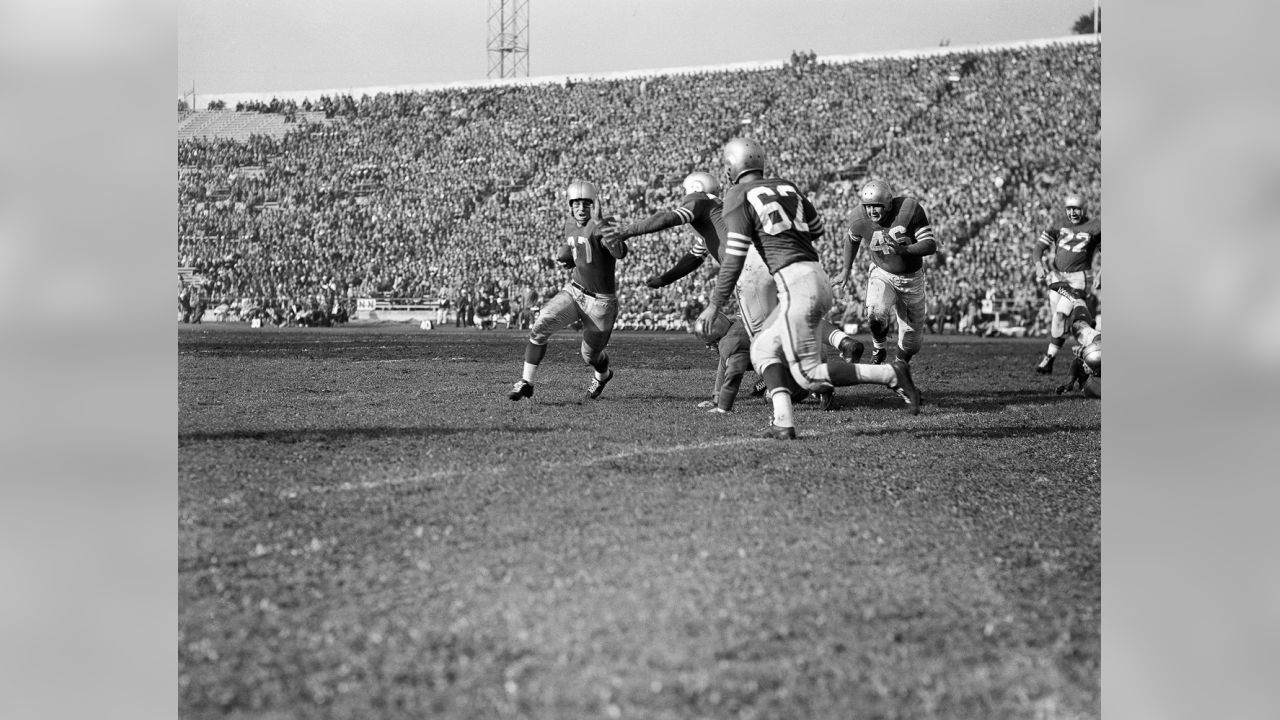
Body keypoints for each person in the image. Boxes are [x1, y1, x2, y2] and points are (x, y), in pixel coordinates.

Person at [695, 138, 920, 439]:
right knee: (763, 349)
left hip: (794, 281)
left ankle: (890, 374)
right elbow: (816, 228)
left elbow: (734, 256)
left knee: (809, 375)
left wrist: (714, 303)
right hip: (815, 275)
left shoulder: (738, 194)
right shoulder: (787, 186)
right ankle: (783, 423)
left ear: (733, 168)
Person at [604, 170, 862, 410]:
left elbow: (668, 217)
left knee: (764, 344)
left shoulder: (700, 200)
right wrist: (665, 279)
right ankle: (838, 346)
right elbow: (694, 258)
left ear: (694, 188)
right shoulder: (723, 215)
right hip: (772, 261)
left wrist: (626, 232)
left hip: (749, 270)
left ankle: (795, 391)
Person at [507, 180, 627, 401]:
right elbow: (584, 253)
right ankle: (526, 381)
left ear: (595, 203)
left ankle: (603, 375)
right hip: (575, 291)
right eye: (576, 203)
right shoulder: (569, 224)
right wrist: (573, 260)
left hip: (601, 302)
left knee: (589, 355)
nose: (581, 208)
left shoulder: (604, 223)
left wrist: (602, 224)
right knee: (541, 324)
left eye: (586, 203)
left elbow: (619, 253)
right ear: (570, 205)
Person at [834, 179, 938, 368]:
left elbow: (930, 244)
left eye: (877, 206)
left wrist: (904, 250)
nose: (872, 211)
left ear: (889, 203)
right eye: (868, 206)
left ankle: (899, 366)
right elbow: (852, 239)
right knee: (875, 313)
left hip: (911, 278)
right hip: (882, 272)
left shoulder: (909, 209)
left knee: (911, 342)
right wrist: (845, 270)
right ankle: (879, 348)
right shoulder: (858, 217)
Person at [1033, 193, 1101, 374]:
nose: (1073, 212)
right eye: (1070, 209)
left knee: (1061, 315)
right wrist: (1038, 265)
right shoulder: (1057, 223)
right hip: (1056, 277)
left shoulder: (1094, 226)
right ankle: (1087, 337)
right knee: (1060, 319)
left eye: (1076, 208)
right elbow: (1039, 248)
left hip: (1079, 278)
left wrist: (1102, 271)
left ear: (1084, 208)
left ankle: (1049, 359)